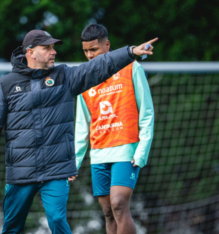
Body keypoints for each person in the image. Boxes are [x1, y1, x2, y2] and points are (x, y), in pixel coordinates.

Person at [0, 29, 157, 234]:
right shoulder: (6, 84)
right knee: (11, 227)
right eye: (47, 48)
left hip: (55, 170)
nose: (54, 52)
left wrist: (130, 52)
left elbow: (99, 66)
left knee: (59, 221)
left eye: (53, 47)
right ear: (31, 52)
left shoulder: (65, 76)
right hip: (21, 171)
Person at [75, 24, 155, 234]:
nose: (90, 55)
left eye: (94, 49)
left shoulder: (131, 67)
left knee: (119, 204)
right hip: (99, 154)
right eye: (86, 51)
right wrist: (74, 162)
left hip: (126, 150)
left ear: (107, 45)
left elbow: (147, 112)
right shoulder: (83, 80)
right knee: (109, 212)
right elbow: (82, 126)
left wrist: (142, 150)